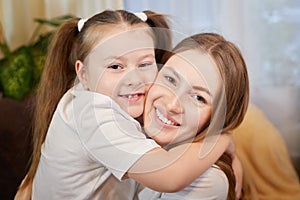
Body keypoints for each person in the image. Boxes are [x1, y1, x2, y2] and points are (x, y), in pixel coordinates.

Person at [15, 10, 237, 200]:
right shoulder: (96, 113)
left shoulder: (99, 99)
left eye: (144, 64)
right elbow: (170, 176)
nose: (133, 79)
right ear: (83, 73)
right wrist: (222, 140)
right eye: (115, 67)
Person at [138, 32, 249, 199]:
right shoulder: (122, 120)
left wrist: (220, 138)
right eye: (170, 79)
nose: (172, 105)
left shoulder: (208, 181)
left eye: (199, 98)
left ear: (218, 119)